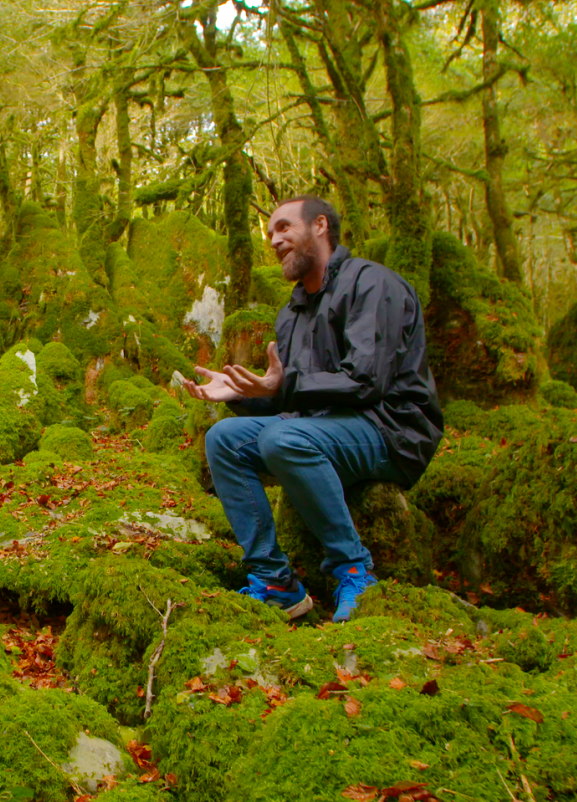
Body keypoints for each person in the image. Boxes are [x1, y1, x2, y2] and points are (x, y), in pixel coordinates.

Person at [185, 197, 442, 623]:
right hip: (324, 429)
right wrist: (239, 393)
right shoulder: (293, 312)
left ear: (320, 225)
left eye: (284, 227)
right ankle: (275, 582)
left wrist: (285, 385)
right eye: (269, 234)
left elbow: (366, 380)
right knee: (223, 440)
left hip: (392, 429)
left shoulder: (372, 284)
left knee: (282, 438)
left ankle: (354, 570)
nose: (274, 240)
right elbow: (293, 395)